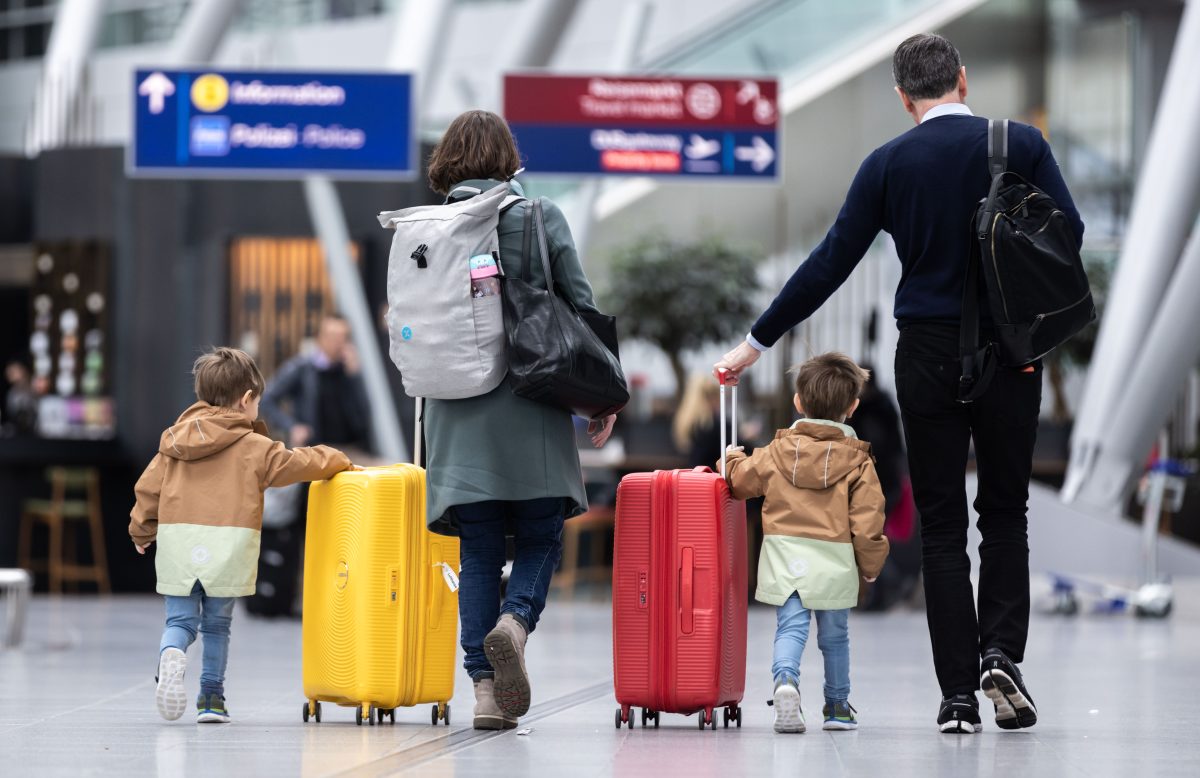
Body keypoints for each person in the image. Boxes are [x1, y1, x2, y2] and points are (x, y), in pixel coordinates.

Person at [714, 33, 1083, 734]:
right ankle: (1002, 652)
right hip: (1010, 351)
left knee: (942, 527)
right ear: (963, 81)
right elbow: (1071, 234)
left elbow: (829, 264)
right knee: (1004, 513)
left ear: (903, 97)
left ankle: (956, 699)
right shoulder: (1021, 146)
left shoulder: (887, 164)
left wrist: (755, 342)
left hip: (926, 354)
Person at [420, 110, 616, 731]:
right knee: (540, 536)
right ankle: (515, 621)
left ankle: (483, 693)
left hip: (454, 410)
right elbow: (580, 306)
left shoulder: (424, 228)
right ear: (508, 157)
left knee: (478, 549)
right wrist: (602, 395)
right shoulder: (537, 215)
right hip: (533, 401)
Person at [128, 347, 354, 724]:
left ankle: (173, 654)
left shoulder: (174, 441)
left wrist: (142, 529)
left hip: (178, 543)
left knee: (180, 624)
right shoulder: (254, 448)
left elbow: (148, 488)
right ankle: (211, 699)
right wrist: (339, 459)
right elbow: (299, 463)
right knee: (217, 625)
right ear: (246, 399)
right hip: (228, 547)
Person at [721, 353, 887, 733]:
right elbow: (868, 520)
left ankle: (785, 681)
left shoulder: (777, 453)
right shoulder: (859, 462)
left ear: (798, 402)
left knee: (791, 629)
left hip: (786, 556)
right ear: (852, 406)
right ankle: (837, 706)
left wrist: (731, 461)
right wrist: (872, 565)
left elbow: (741, 483)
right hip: (835, 559)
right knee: (835, 636)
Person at [260, 314, 370, 453]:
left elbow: (365, 414)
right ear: (320, 338)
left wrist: (354, 376)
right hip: (315, 451)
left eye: (343, 337)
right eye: (333, 337)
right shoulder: (302, 368)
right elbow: (267, 399)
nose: (338, 342)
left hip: (351, 449)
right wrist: (292, 427)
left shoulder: (350, 369)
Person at [672, 373, 722, 468]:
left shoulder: (687, 421)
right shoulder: (713, 425)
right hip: (712, 477)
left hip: (694, 476)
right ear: (712, 397)